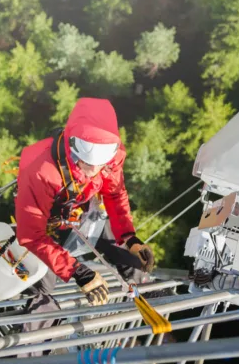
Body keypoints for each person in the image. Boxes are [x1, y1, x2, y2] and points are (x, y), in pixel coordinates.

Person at [14, 97, 156, 307]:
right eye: (86, 163)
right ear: (73, 147)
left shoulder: (110, 155)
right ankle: (40, 330)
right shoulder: (41, 171)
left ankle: (145, 292)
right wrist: (76, 270)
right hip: (46, 225)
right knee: (43, 287)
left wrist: (129, 238)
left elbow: (114, 194)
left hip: (81, 211)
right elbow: (31, 235)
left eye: (99, 165)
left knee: (133, 262)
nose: (93, 170)